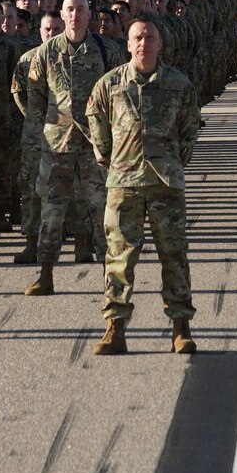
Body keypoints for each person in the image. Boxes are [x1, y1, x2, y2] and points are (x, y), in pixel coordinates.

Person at [86, 18, 201, 356]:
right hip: (124, 183)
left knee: (174, 255)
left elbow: (190, 126)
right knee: (119, 258)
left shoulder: (179, 84)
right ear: (128, 44)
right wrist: (110, 158)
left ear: (160, 44)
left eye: (150, 37)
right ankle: (115, 328)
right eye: (137, 37)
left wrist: (175, 161)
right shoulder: (110, 84)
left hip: (166, 183)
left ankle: (181, 328)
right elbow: (96, 122)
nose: (143, 43)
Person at [17, 0, 124, 295]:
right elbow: (35, 97)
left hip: (95, 145)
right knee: (51, 211)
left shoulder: (106, 50)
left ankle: (110, 276)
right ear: (61, 14)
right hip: (57, 145)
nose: (75, 15)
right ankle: (46, 272)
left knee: (102, 209)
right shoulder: (47, 52)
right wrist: (40, 135)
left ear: (90, 15)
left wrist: (114, 137)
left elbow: (120, 93)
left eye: (81, 9)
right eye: (70, 10)